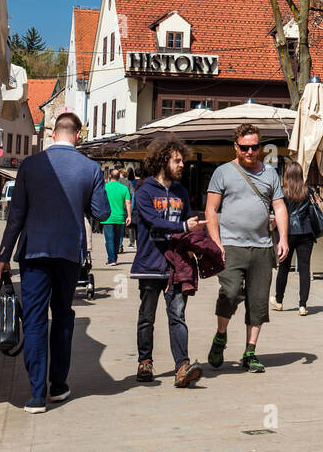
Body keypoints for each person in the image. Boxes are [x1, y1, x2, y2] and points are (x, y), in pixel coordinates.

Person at [0, 113, 110, 413]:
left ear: (54, 132)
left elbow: (16, 214)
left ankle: (35, 395)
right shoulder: (90, 168)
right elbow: (102, 212)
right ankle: (58, 385)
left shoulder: (31, 166)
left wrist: (3, 254)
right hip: (69, 253)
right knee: (62, 316)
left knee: (34, 320)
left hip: (34, 252)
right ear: (77, 135)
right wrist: (81, 200)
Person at [205, 125, 289, 374]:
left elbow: (280, 207)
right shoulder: (223, 172)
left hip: (262, 247)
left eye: (254, 147)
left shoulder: (270, 174)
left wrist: (283, 238)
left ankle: (250, 352)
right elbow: (211, 210)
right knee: (229, 293)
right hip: (231, 245)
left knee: (258, 302)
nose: (250, 151)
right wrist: (216, 242)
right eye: (245, 147)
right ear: (236, 147)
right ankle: (221, 336)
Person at [130, 137, 205, 387]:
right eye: (177, 160)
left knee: (177, 316)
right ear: (163, 161)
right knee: (147, 317)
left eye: (182, 160)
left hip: (175, 265)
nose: (182, 164)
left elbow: (189, 226)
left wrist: (200, 245)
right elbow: (152, 221)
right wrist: (183, 225)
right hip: (149, 264)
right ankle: (145, 361)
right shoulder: (144, 191)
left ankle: (182, 366)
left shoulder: (181, 192)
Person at [272, 162, 322, 316]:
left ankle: (279, 300)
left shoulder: (282, 191)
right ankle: (302, 305)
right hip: (306, 232)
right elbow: (317, 206)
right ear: (301, 174)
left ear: (286, 174)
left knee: (284, 268)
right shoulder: (308, 191)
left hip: (287, 233)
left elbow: (275, 209)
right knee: (305, 269)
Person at [102, 167, 131, 266]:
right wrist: (129, 216)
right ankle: (114, 257)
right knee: (117, 239)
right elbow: (128, 203)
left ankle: (111, 259)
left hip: (107, 217)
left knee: (109, 239)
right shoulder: (124, 188)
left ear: (110, 176)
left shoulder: (105, 187)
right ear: (119, 177)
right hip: (120, 217)